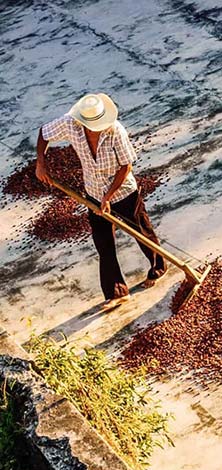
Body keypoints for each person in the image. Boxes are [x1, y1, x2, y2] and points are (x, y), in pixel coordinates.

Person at [35, 93, 166, 310]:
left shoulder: (115, 131)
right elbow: (44, 132)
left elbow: (126, 167)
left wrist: (108, 198)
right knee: (103, 243)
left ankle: (158, 268)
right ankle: (116, 292)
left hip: (123, 192)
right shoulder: (71, 123)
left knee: (142, 232)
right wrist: (41, 162)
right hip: (93, 192)